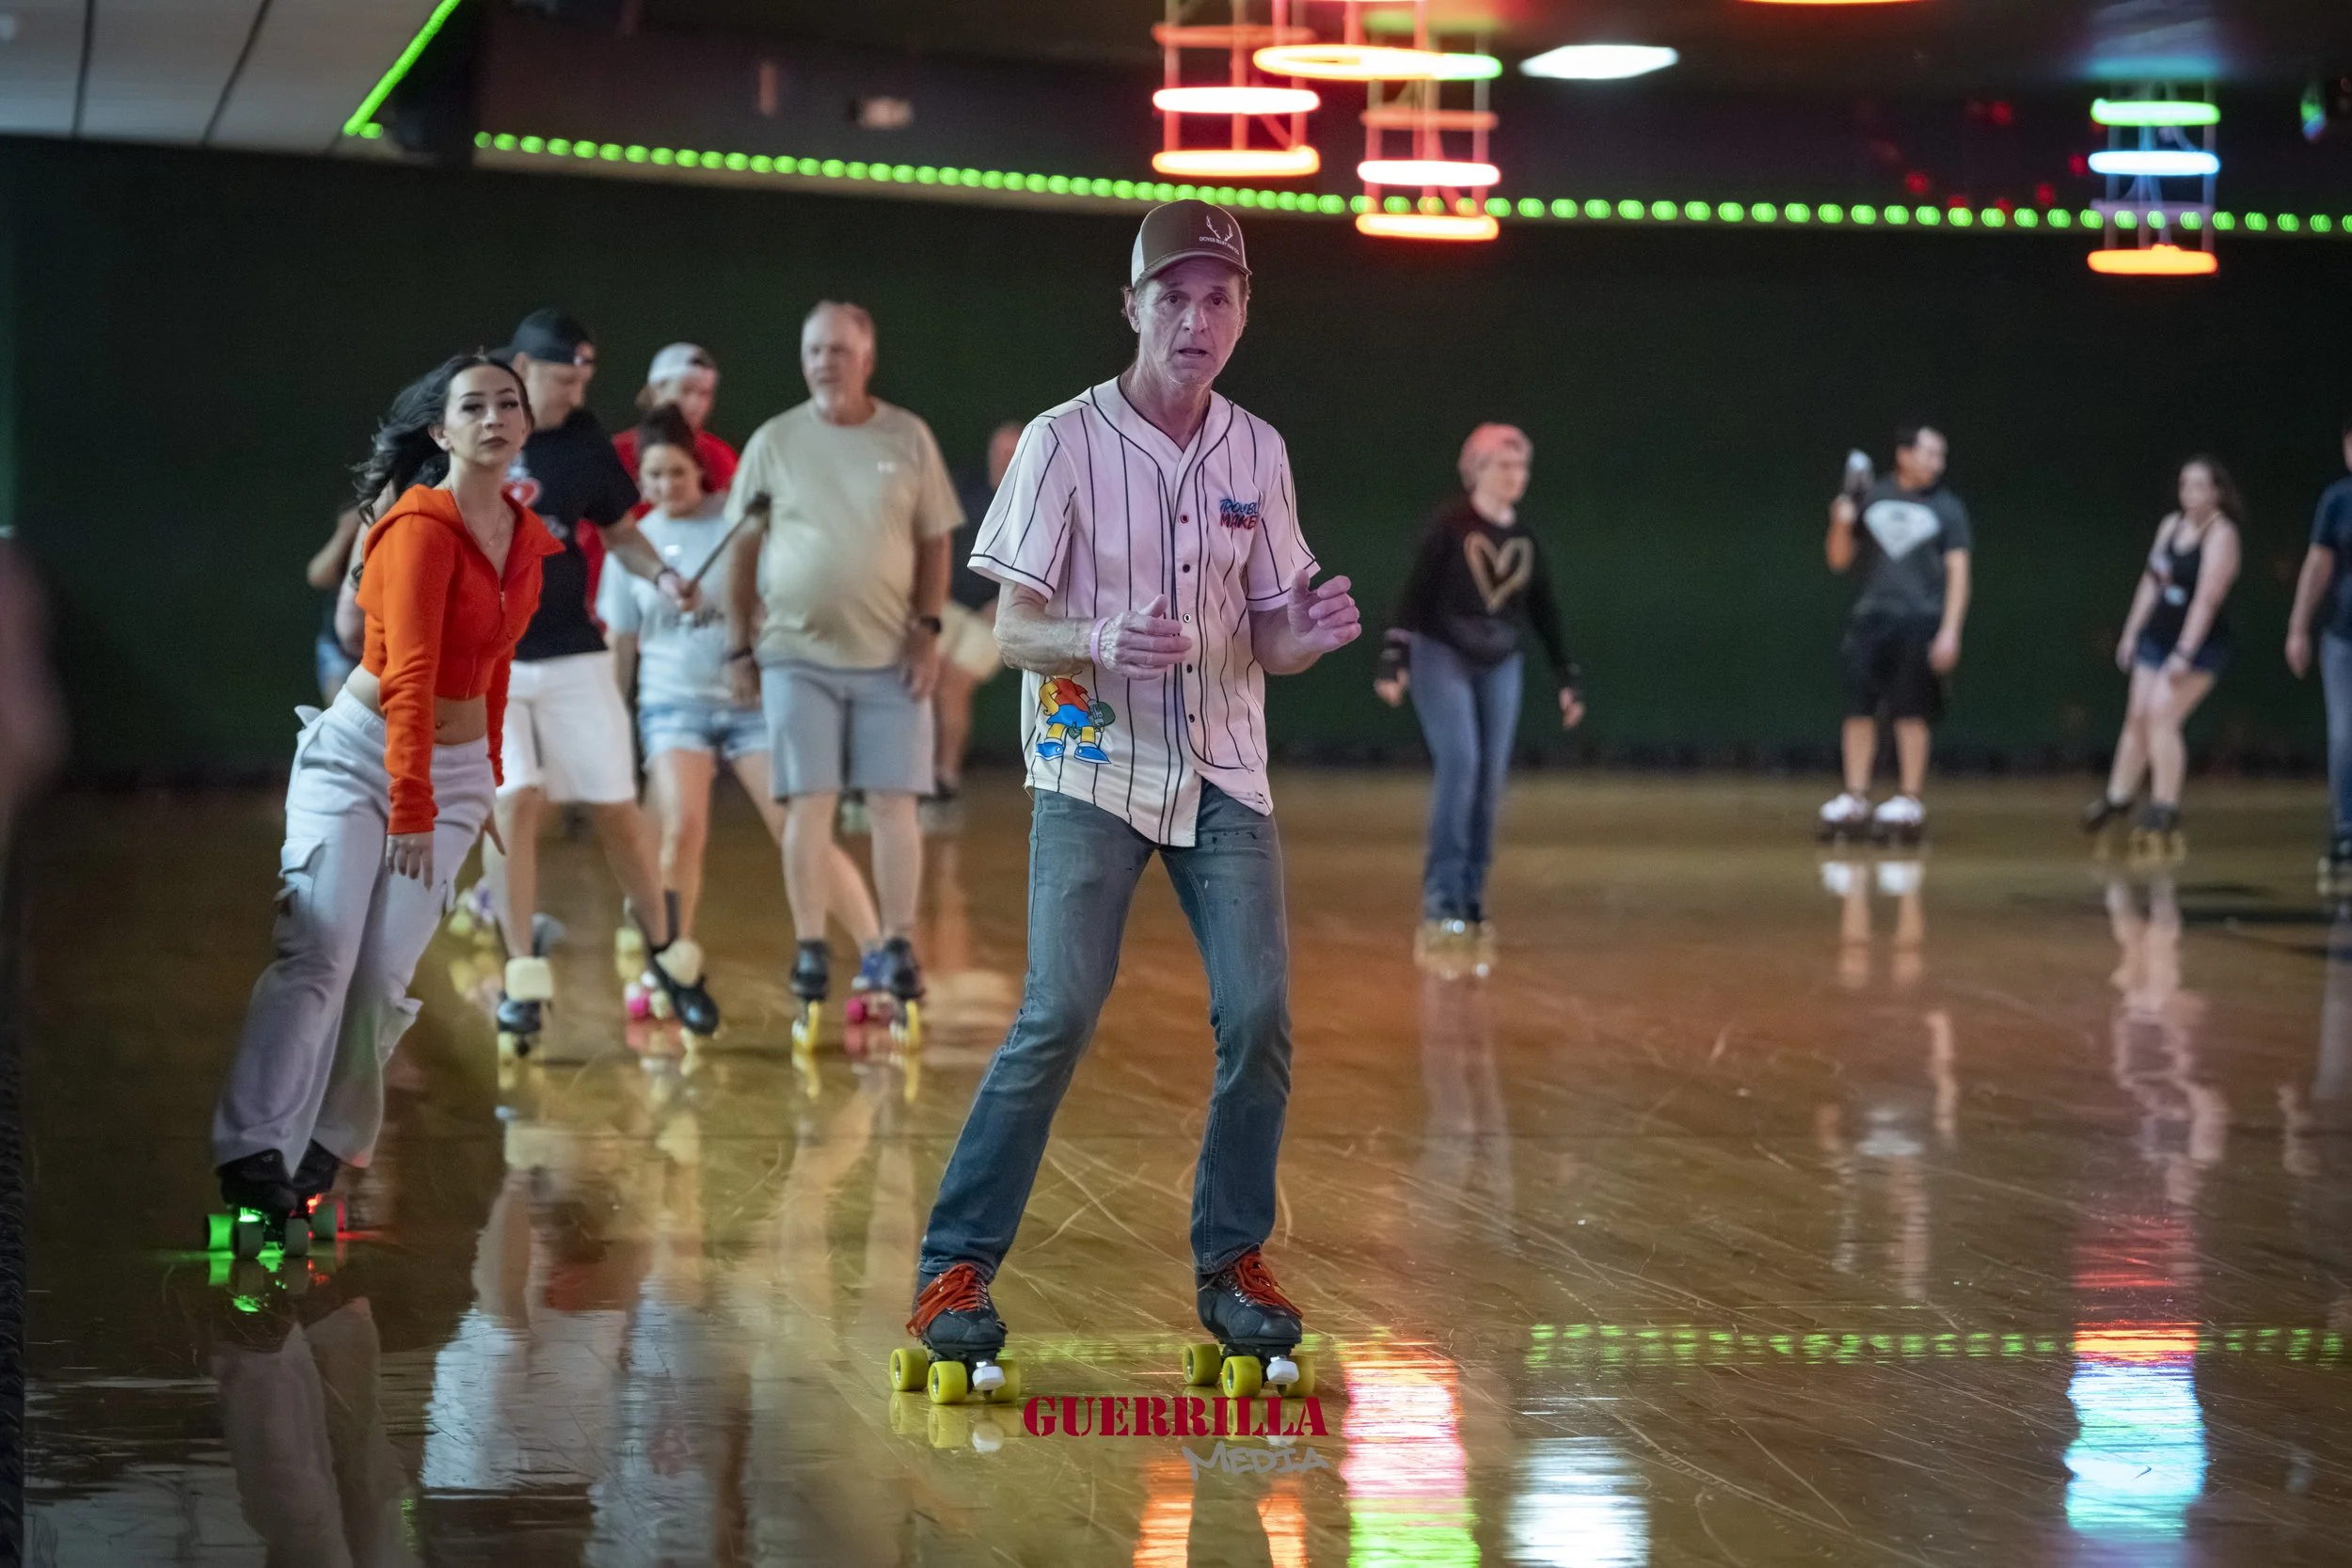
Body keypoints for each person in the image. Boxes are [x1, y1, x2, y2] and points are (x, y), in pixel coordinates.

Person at [900, 200, 1361, 1403]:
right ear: (1132, 305)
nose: (1196, 318)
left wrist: (1301, 635)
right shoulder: (1061, 440)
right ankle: (955, 1267)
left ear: (1243, 313)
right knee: (1058, 1012)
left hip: (1222, 766)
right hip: (1091, 762)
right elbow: (1010, 626)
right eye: (1174, 296)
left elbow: (1267, 626)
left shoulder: (1258, 451)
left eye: (1219, 298)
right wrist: (1098, 633)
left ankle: (1232, 1262)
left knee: (1258, 1017)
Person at [211, 356, 562, 1243]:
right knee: (319, 954)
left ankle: (329, 1148)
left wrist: (480, 780)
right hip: (363, 759)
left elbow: (493, 668)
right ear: (441, 432)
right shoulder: (415, 525)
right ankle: (252, 1151)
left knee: (379, 978)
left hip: (448, 779)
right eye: (472, 406)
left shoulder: (525, 539)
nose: (494, 416)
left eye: (507, 404)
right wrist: (409, 801)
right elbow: (405, 673)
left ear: (525, 426)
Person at [722, 302, 960, 1034]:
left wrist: (927, 629)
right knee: (810, 804)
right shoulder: (775, 441)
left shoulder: (907, 436)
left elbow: (934, 542)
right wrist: (739, 645)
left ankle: (895, 945)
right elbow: (742, 549)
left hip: (891, 656)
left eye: (837, 349)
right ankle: (810, 945)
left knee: (895, 803)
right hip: (798, 655)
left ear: (867, 358)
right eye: (812, 349)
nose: (823, 361)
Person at [485, 309, 720, 1047]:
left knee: (620, 807)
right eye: (563, 377)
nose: (577, 390)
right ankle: (520, 972)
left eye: (585, 376)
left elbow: (621, 531)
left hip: (572, 654)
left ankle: (667, 954)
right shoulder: (474, 423)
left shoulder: (583, 440)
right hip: (492, 659)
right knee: (515, 796)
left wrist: (667, 574)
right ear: (522, 370)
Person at [598, 406, 881, 958]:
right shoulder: (633, 546)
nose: (665, 486)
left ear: (698, 469)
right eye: (652, 476)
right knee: (680, 829)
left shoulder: (738, 526)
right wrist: (612, 720)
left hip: (752, 704)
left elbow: (784, 604)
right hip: (672, 707)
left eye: (676, 473)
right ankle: (672, 963)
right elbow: (622, 642)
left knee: (799, 831)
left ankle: (881, 955)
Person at [1374, 423, 1585, 964]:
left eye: (1521, 467)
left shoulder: (1525, 539)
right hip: (1441, 653)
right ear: (1476, 470)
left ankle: (1471, 897)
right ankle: (1441, 899)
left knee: (1490, 778)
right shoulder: (1449, 526)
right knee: (1461, 765)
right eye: (1504, 466)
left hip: (1500, 660)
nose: (1515, 477)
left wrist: (1567, 677)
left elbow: (1543, 610)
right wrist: (1395, 658)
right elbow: (1415, 594)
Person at [1819, 424, 1973, 846]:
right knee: (1859, 710)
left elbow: (1959, 573)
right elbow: (1838, 559)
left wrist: (1950, 631)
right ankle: (1855, 797)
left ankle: (1909, 799)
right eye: (1929, 454)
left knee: (1911, 712)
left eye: (1940, 456)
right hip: (1871, 619)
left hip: (1921, 621)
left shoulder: (1948, 509)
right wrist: (1840, 523)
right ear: (1904, 455)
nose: (1937, 463)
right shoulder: (1872, 497)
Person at [2083, 457, 2243, 853]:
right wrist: (2132, 633)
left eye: (2199, 485)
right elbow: (2152, 581)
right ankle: (2118, 797)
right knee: (2137, 715)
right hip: (2156, 638)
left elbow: (2208, 599)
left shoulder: (2221, 534)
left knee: (2162, 716)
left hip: (2198, 647)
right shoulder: (2170, 526)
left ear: (2217, 492)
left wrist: (2185, 652)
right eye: (2184, 484)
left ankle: (2165, 807)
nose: (2189, 492)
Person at [934, 421, 1023, 800]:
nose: (1004, 460)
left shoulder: (1034, 503)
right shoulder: (964, 491)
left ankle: (945, 781)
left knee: (954, 682)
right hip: (947, 607)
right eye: (999, 451)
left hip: (999, 617)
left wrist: (1003, 606)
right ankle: (913, 777)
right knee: (921, 676)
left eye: (1013, 453)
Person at [2288, 418, 2352, 881]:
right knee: (2345, 734)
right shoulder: (2336, 501)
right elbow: (2318, 564)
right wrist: (2298, 627)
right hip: (2342, 636)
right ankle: (2347, 830)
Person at [612, 341, 739, 499]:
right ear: (656, 390)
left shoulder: (719, 455)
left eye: (704, 394)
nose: (695, 403)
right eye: (686, 390)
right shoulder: (615, 454)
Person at [305, 508, 364, 703]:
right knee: (337, 718)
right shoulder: (354, 528)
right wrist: (346, 530)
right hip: (339, 649)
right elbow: (317, 575)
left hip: (379, 652)